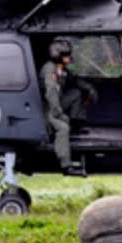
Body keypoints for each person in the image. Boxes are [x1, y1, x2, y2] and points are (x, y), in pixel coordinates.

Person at [39, 38, 94, 176]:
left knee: (76, 93)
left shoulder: (61, 69)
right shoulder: (50, 69)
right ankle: (66, 166)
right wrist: (58, 114)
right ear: (58, 56)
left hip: (56, 102)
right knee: (63, 128)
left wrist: (89, 88)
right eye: (67, 55)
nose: (70, 57)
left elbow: (74, 80)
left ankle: (76, 124)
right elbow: (51, 92)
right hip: (46, 107)